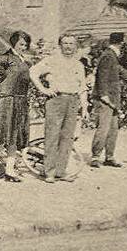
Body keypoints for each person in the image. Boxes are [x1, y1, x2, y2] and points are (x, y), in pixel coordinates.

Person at [29, 34, 89, 183]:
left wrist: (85, 107)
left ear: (76, 46)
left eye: (71, 44)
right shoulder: (52, 61)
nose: (68, 46)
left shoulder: (78, 65)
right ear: (60, 45)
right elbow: (33, 72)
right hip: (56, 100)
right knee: (52, 136)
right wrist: (44, 89)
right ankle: (49, 172)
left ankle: (61, 171)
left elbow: (82, 87)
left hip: (73, 101)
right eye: (65, 43)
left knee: (67, 137)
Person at [90, 32, 127, 168]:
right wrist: (103, 94)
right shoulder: (108, 56)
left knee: (113, 129)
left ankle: (109, 156)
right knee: (104, 128)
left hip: (112, 98)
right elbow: (102, 76)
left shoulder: (112, 56)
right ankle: (95, 157)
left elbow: (121, 72)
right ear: (121, 43)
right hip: (105, 98)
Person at [0, 30, 33, 182]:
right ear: (13, 43)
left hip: (20, 101)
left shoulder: (25, 60)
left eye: (26, 45)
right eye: (21, 44)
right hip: (6, 100)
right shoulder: (5, 58)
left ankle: (9, 169)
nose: (24, 47)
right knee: (1, 135)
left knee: (15, 136)